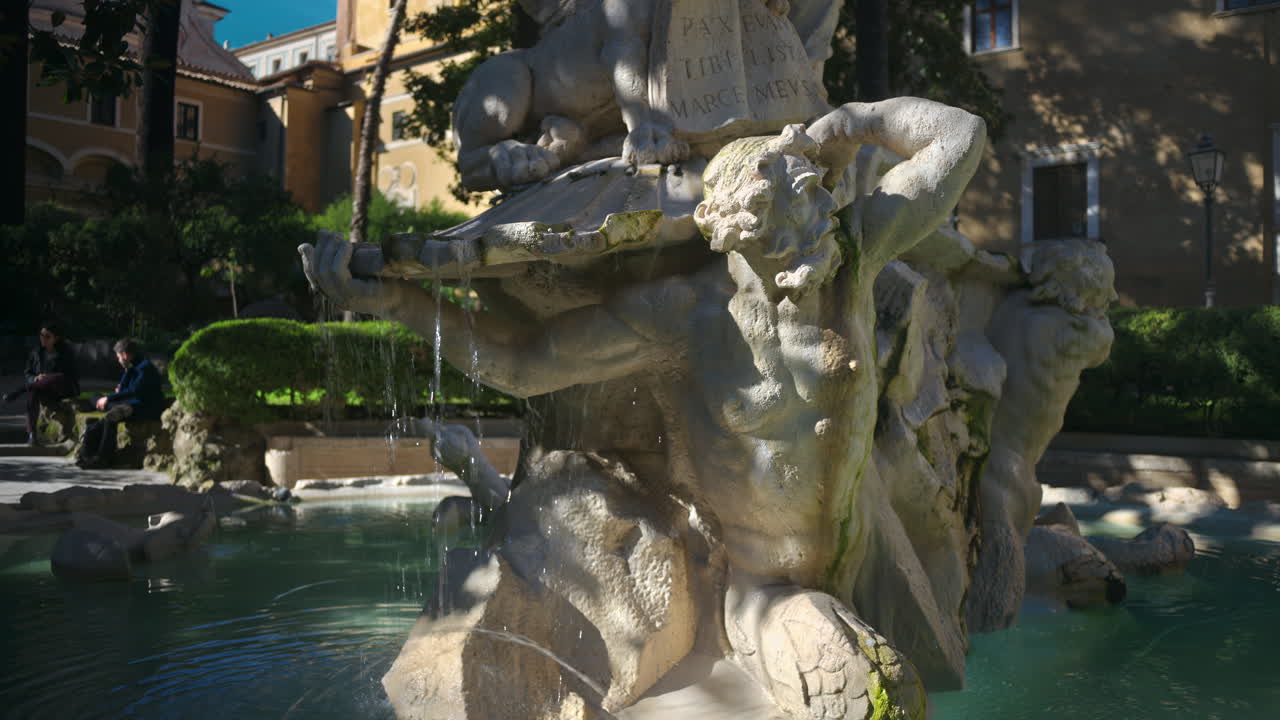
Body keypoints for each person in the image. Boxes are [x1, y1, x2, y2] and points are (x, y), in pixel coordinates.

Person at [303, 97, 985, 716]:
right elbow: (520, 365)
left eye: (813, 210)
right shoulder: (688, 313)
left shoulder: (852, 254)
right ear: (729, 231)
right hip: (764, 589)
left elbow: (960, 133)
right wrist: (399, 302)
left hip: (860, 549)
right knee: (878, 697)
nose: (809, 246)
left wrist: (854, 122)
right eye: (782, 226)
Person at [77, 338, 165, 468]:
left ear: (125, 355)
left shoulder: (145, 368)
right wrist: (117, 392)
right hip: (128, 403)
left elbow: (135, 391)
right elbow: (124, 389)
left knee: (111, 416)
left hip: (142, 407)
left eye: (119, 357)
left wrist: (109, 398)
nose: (118, 360)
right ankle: (87, 454)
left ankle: (102, 458)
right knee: (95, 398)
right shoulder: (132, 367)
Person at [3, 322, 80, 446]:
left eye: (47, 336)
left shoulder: (66, 352)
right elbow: (28, 373)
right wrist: (35, 378)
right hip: (43, 389)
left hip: (62, 388)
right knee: (33, 391)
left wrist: (48, 377)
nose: (43, 338)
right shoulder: (36, 352)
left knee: (57, 377)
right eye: (41, 335)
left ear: (56, 338)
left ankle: (19, 391)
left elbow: (69, 376)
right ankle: (32, 435)